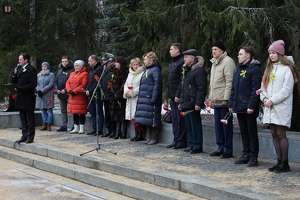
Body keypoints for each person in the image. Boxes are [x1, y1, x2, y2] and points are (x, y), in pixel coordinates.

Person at [260, 40, 299, 173]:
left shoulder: (287, 69)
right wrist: (264, 98)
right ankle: (278, 160)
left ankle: (285, 162)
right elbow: (263, 87)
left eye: (274, 53)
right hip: (269, 106)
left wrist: (272, 100)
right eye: (270, 53)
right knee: (274, 134)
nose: (271, 56)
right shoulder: (269, 69)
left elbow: (286, 90)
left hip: (280, 106)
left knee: (281, 134)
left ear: (280, 54)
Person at [228, 46, 262, 167]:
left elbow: (256, 89)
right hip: (239, 105)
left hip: (249, 107)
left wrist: (251, 105)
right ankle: (245, 153)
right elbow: (234, 89)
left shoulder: (255, 69)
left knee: (251, 132)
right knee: (243, 132)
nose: (238, 56)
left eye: (240, 54)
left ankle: (253, 156)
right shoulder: (238, 70)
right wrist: (231, 103)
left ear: (248, 55)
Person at [176, 49, 207, 154]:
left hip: (193, 102)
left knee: (195, 125)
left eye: (186, 57)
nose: (184, 59)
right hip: (186, 102)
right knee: (189, 125)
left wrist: (198, 103)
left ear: (192, 58)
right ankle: (192, 144)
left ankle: (197, 145)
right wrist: (181, 102)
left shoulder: (199, 70)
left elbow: (201, 88)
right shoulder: (187, 70)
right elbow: (183, 87)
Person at [208, 41, 236, 159]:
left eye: (216, 49)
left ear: (222, 50)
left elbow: (229, 81)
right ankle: (220, 147)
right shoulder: (214, 63)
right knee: (218, 126)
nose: (214, 51)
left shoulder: (228, 61)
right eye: (212, 49)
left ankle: (227, 149)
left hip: (223, 100)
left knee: (226, 126)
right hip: (216, 99)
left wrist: (226, 98)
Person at [134, 52, 162, 145]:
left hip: (151, 98)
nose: (144, 61)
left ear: (151, 60)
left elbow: (157, 85)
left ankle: (154, 137)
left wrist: (154, 98)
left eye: (145, 59)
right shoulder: (148, 70)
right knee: (148, 118)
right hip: (146, 98)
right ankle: (150, 137)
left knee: (153, 118)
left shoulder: (155, 70)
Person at [12, 53, 37, 144]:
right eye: (19, 59)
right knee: (23, 118)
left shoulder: (31, 70)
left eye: (20, 59)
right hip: (20, 97)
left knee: (30, 118)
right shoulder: (19, 69)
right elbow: (15, 81)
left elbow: (33, 84)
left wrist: (20, 88)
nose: (19, 61)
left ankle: (30, 136)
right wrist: (14, 74)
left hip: (28, 97)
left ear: (26, 60)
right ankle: (24, 135)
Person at [167, 43, 186, 149]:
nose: (170, 51)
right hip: (173, 95)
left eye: (172, 49)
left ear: (177, 50)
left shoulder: (181, 62)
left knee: (180, 119)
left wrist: (177, 94)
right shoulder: (174, 62)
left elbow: (180, 81)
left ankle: (181, 140)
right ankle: (176, 139)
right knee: (174, 119)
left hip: (178, 96)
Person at [123, 58, 145, 141]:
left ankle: (140, 134)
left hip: (137, 97)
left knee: (137, 115)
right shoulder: (130, 74)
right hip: (130, 98)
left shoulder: (142, 73)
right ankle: (136, 134)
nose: (135, 66)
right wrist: (127, 92)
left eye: (137, 64)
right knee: (132, 116)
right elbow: (126, 85)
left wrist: (133, 92)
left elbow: (141, 86)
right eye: (134, 65)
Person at [66, 60, 89, 134]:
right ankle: (76, 127)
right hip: (72, 95)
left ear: (81, 66)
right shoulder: (72, 73)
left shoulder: (85, 74)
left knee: (81, 112)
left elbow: (83, 84)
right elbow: (67, 82)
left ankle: (81, 127)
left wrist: (75, 91)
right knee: (74, 112)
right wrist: (69, 90)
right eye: (75, 66)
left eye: (78, 66)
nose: (76, 67)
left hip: (80, 95)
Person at [108, 56, 128, 139]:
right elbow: (110, 81)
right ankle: (117, 131)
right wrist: (110, 89)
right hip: (113, 96)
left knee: (122, 115)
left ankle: (123, 132)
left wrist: (119, 93)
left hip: (121, 96)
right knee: (115, 115)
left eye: (117, 62)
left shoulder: (125, 71)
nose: (115, 64)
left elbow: (124, 83)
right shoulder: (114, 71)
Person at [86, 55, 104, 136]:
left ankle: (99, 129)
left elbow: (97, 82)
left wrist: (90, 90)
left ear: (94, 60)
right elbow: (90, 81)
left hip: (97, 93)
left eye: (89, 61)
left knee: (99, 112)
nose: (88, 63)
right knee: (92, 112)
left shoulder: (99, 68)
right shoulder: (92, 69)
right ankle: (94, 128)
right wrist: (87, 89)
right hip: (91, 94)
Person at [54, 56, 74, 132]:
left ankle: (73, 125)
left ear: (68, 62)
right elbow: (55, 81)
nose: (64, 63)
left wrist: (65, 90)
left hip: (68, 93)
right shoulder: (59, 71)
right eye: (63, 61)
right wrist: (57, 89)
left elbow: (71, 82)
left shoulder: (72, 70)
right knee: (63, 110)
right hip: (60, 93)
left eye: (66, 61)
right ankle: (64, 125)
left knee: (71, 110)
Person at [35, 62, 55, 131]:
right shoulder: (39, 74)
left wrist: (42, 90)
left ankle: (49, 124)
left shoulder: (51, 75)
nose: (44, 68)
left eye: (45, 66)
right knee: (43, 110)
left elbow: (51, 84)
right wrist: (38, 90)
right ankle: (44, 124)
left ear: (48, 67)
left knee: (49, 110)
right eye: (42, 66)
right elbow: (36, 83)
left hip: (48, 94)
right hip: (40, 95)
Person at [100, 53, 116, 137]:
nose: (103, 62)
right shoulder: (104, 70)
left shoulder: (113, 69)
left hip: (111, 95)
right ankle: (108, 129)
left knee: (111, 114)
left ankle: (113, 130)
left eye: (105, 61)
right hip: (105, 95)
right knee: (106, 113)